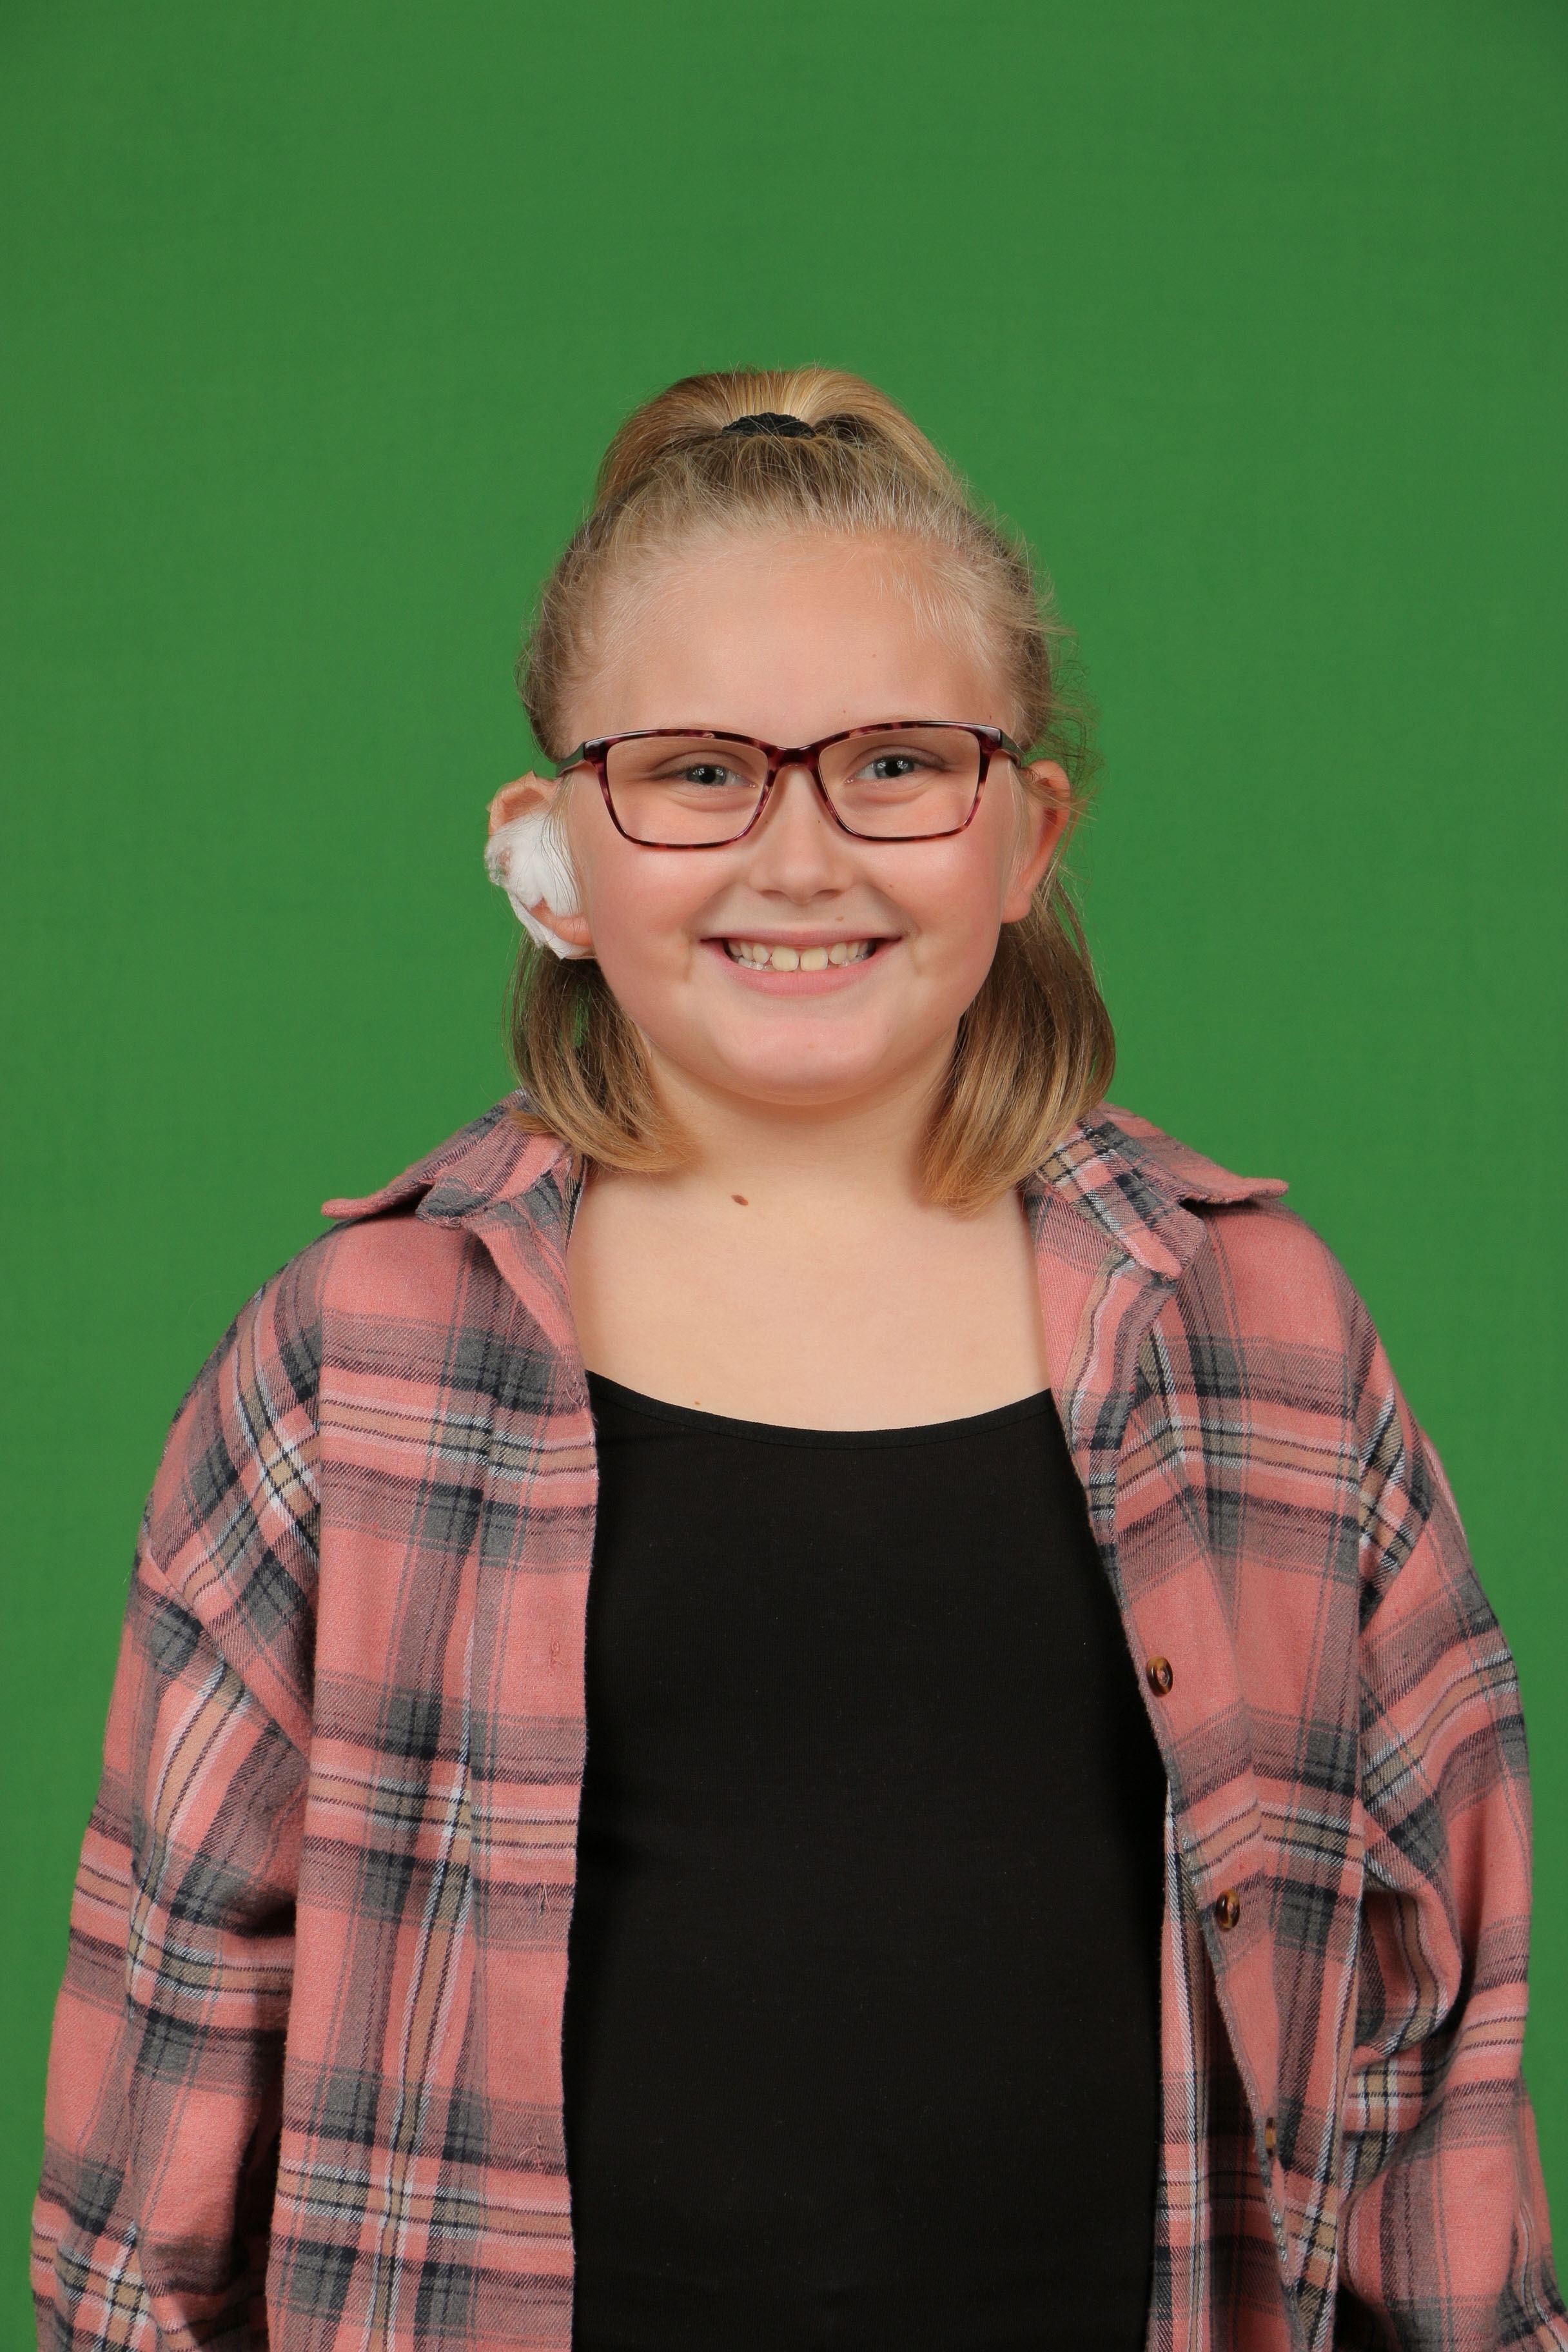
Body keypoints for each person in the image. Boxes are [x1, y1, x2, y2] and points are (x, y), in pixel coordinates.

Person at [31, 368, 1564, 2352]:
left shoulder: (1255, 1334)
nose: (803, 857)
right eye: (696, 772)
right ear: (549, 852)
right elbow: (173, 2025)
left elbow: (1438, 2016)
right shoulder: (355, 1363)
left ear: (1027, 834)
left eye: (899, 764)